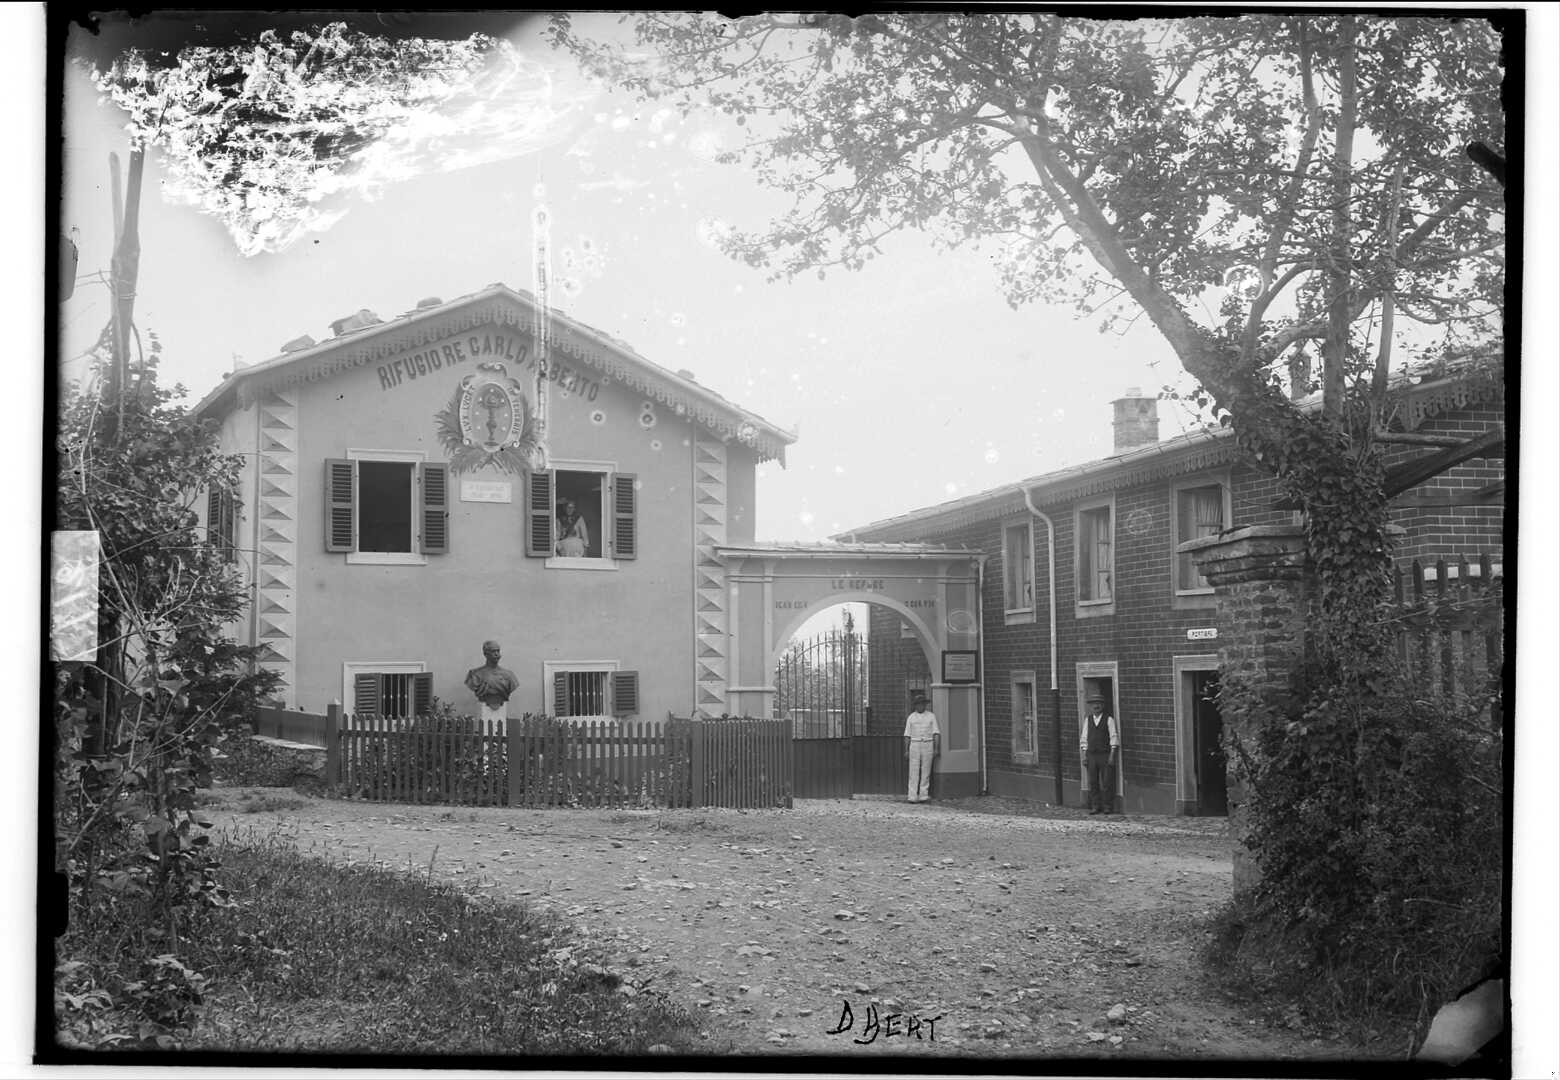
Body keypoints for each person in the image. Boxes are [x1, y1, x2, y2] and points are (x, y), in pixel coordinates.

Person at [1079, 690, 1120, 814]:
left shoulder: (1109, 720)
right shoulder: (1088, 720)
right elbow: (1084, 738)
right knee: (1093, 781)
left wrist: (1112, 755)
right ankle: (1095, 805)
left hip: (1105, 754)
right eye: (1093, 704)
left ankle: (1107, 806)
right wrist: (1085, 755)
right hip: (1091, 755)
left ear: (1102, 705)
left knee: (1107, 781)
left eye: (1098, 704)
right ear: (1090, 706)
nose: (1096, 706)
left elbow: (1114, 737)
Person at [465, 640, 520, 723]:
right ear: (485, 654)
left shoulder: (509, 675)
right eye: (493, 651)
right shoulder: (475, 674)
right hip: (484, 707)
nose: (497, 654)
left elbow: (512, 685)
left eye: (498, 651)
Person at [902, 692, 941, 803]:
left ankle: (923, 795)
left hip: (928, 743)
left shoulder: (931, 716)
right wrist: (906, 750)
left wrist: (936, 748)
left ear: (925, 705)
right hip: (915, 743)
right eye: (918, 704)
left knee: (926, 770)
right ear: (915, 705)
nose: (920, 706)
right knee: (913, 770)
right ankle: (912, 795)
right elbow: (907, 735)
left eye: (922, 704)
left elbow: (936, 733)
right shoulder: (911, 717)